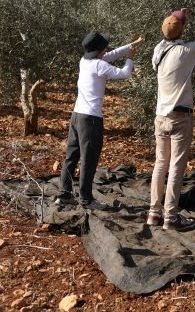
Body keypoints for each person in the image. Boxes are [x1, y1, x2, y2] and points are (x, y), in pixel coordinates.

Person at [147, 6, 195, 231]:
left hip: (161, 117)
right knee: (176, 167)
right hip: (180, 118)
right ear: (182, 32)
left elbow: (172, 31)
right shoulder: (185, 52)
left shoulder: (158, 51)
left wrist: (180, 16)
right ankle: (171, 216)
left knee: (160, 164)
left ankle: (153, 212)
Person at [55, 32, 142, 210]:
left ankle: (63, 195)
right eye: (105, 48)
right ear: (100, 50)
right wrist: (130, 58)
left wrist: (130, 45)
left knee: (71, 157)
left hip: (77, 116)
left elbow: (110, 55)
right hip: (91, 120)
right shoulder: (100, 66)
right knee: (89, 159)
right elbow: (125, 74)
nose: (107, 51)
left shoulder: (85, 61)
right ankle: (86, 200)